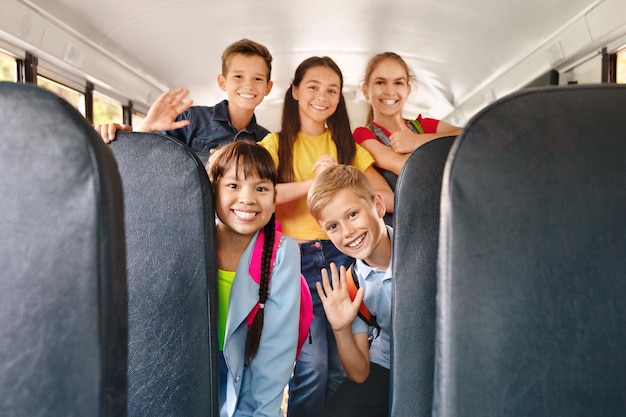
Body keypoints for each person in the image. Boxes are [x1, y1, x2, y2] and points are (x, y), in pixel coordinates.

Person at [257, 56, 394, 417]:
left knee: (340, 368)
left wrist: (344, 177)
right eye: (313, 87)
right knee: (311, 367)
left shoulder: (347, 145)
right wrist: (315, 184)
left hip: (343, 259)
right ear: (296, 91)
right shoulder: (275, 143)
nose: (323, 96)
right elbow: (261, 195)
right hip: (298, 261)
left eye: (332, 90)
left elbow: (388, 197)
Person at [208, 140, 301, 417]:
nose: (247, 199)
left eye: (261, 189)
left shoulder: (282, 253)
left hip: (248, 380)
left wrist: (263, 412)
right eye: (233, 186)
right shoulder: (191, 241)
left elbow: (275, 352)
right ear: (211, 190)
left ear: (275, 200)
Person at [95, 38, 274, 163]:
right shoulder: (192, 119)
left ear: (268, 87)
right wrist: (146, 128)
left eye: (257, 79)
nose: (248, 86)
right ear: (222, 82)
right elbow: (147, 160)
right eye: (238, 76)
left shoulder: (267, 139)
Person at [307, 164, 393, 417]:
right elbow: (360, 372)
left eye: (352, 214)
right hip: (389, 365)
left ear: (378, 206)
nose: (347, 232)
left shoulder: (426, 250)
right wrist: (341, 327)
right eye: (332, 227)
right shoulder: (350, 285)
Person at [353, 52, 462, 185]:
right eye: (380, 82)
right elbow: (404, 167)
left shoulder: (424, 126)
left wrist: (416, 141)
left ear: (408, 90)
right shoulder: (363, 136)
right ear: (365, 90)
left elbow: (466, 135)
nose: (390, 91)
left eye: (398, 83)